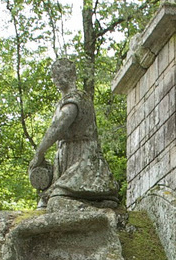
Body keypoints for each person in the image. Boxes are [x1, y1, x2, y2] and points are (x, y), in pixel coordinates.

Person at [29, 58, 119, 209]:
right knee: (45, 202)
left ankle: (101, 217)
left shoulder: (77, 98)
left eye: (59, 74)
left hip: (83, 161)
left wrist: (40, 152)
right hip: (66, 160)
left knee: (56, 201)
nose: (55, 78)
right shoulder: (64, 101)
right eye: (54, 75)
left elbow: (59, 125)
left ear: (71, 75)